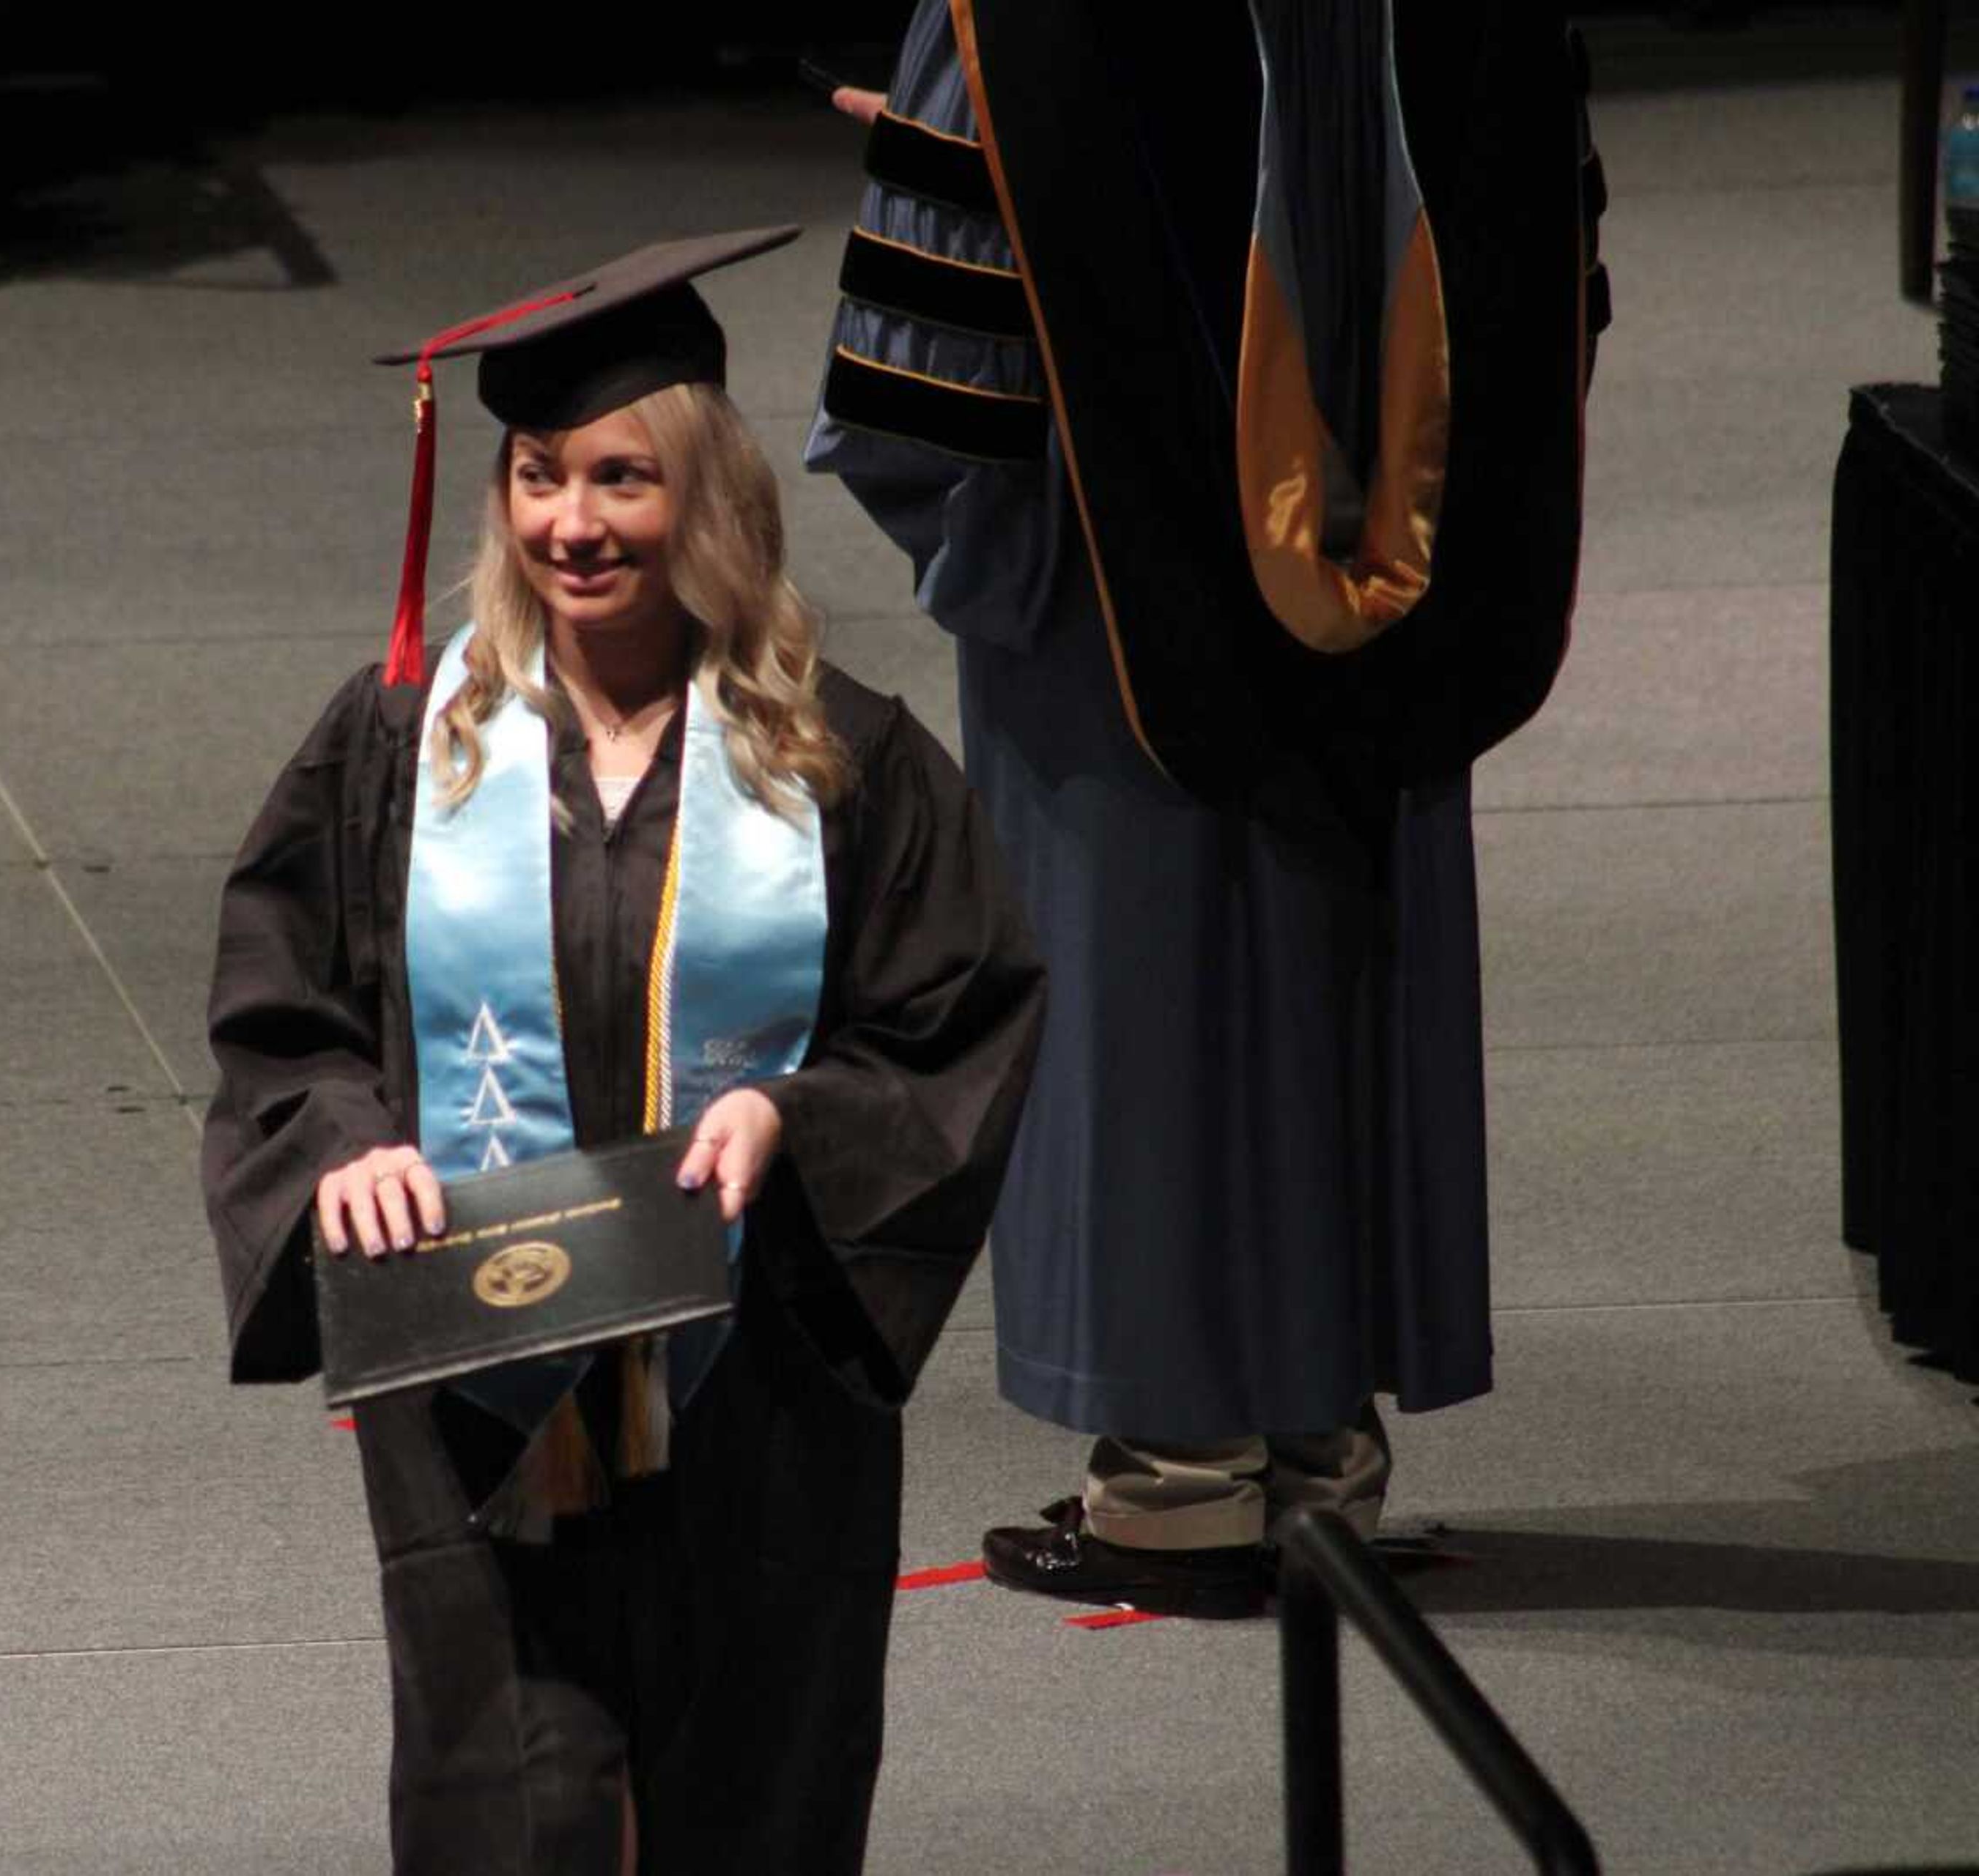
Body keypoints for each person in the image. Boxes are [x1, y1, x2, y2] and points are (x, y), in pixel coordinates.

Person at [202, 227, 1046, 1873]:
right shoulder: (400, 744)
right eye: (536, 478)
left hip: (756, 1367)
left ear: (707, 498)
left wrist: (799, 1120)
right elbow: (280, 1008)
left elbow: (957, 1022)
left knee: (759, 1762)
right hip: (480, 1359)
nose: (571, 524)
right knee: (506, 1775)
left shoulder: (838, 754)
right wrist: (345, 1141)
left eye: (620, 479)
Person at [808, 3, 1609, 1617]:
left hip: (1108, 629)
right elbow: (1550, 301)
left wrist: (1016, 568)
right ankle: (1323, 1464)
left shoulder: (1013, 22)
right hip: (1412, 582)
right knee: (1339, 984)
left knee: (1145, 1007)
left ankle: (1177, 1487)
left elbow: (925, 401)